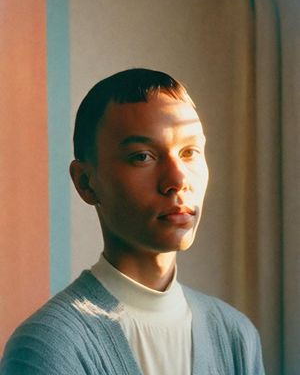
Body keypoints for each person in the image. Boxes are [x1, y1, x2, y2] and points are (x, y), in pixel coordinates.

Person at [0, 68, 265, 374]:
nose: (178, 180)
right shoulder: (48, 347)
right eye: (142, 156)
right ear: (86, 182)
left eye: (190, 152)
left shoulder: (235, 336)